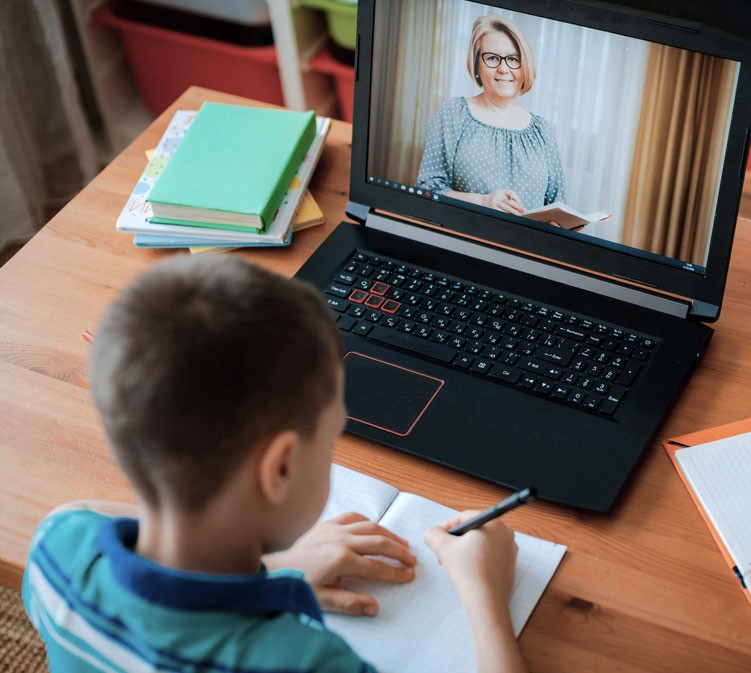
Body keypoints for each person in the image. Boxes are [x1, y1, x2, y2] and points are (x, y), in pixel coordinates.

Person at [21, 255, 526, 673]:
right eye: (331, 438)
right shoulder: (304, 662)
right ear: (280, 469)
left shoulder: (57, 549)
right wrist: (486, 594)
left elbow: (81, 509)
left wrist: (274, 569)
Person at [417, 14, 566, 217]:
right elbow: (427, 191)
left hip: (523, 246)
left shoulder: (543, 130)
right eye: (492, 58)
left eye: (513, 59)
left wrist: (565, 223)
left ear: (525, 67)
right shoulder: (453, 113)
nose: (503, 68)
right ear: (477, 64)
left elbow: (556, 204)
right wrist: (482, 201)